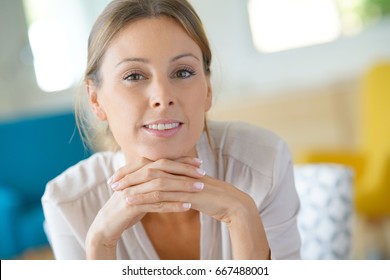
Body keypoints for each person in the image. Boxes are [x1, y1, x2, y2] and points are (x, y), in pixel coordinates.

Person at [42, 0, 301, 260]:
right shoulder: (66, 202)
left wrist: (242, 214)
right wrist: (99, 243)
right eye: (134, 76)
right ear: (95, 100)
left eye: (183, 72)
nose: (162, 97)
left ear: (208, 90)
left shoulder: (264, 162)